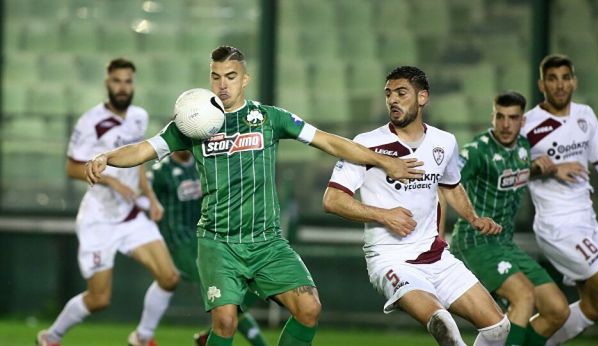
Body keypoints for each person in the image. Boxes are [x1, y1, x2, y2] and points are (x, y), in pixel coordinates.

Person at [83, 46, 424, 346]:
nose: (223, 84)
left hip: (266, 242)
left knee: (309, 309)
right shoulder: (193, 123)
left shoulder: (269, 119)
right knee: (226, 322)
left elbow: (329, 141)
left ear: (245, 79)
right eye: (216, 76)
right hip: (219, 242)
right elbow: (144, 149)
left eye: (231, 76)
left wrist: (383, 161)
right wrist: (107, 158)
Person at [323, 66, 511, 345]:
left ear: (422, 98)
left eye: (401, 93)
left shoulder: (444, 142)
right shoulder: (366, 145)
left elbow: (451, 186)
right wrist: (383, 215)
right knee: (443, 323)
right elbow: (332, 200)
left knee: (498, 328)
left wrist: (473, 218)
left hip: (436, 256)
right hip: (390, 258)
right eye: (388, 94)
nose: (393, 100)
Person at [37, 58, 180, 346]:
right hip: (99, 220)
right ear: (107, 83)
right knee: (100, 299)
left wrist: (150, 197)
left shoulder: (138, 116)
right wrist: (111, 179)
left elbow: (138, 161)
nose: (123, 87)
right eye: (117, 81)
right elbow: (72, 168)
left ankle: (142, 337)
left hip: (130, 215)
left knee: (170, 277)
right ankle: (51, 336)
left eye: (128, 81)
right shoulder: (90, 122)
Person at [522, 54, 598, 345]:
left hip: (586, 222)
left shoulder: (585, 115)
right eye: (552, 79)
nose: (560, 85)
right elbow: (511, 173)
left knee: (595, 305)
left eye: (565, 78)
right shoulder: (528, 125)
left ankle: (523, 344)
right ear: (542, 85)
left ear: (574, 82)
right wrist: (545, 169)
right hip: (559, 227)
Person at [449, 91, 570, 346]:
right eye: (500, 117)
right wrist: (437, 235)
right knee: (523, 297)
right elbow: (444, 185)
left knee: (557, 310)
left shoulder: (524, 148)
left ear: (522, 121)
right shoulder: (477, 151)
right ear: (492, 117)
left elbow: (518, 172)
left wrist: (547, 169)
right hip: (475, 243)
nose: (505, 124)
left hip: (505, 245)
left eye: (513, 118)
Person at [150, 150, 268, 346]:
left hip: (205, 237)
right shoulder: (160, 171)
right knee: (229, 294)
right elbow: (145, 203)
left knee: (251, 283)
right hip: (178, 244)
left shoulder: (201, 164)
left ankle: (209, 335)